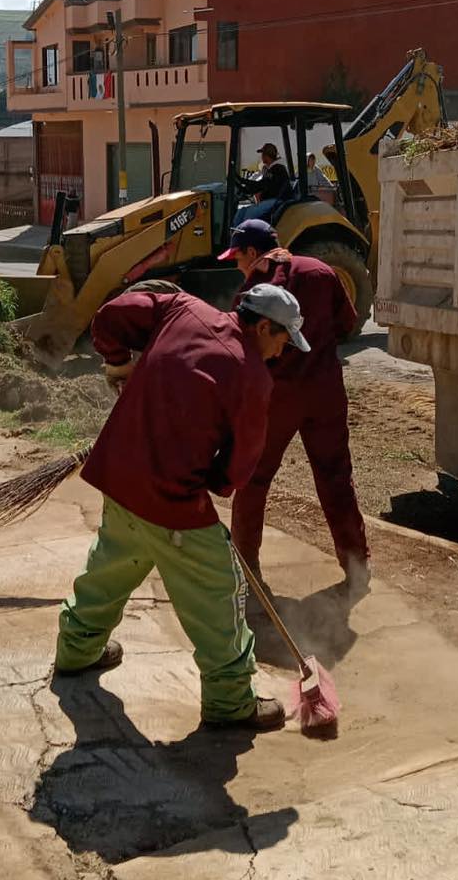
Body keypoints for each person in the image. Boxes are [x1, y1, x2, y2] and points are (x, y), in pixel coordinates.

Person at [55, 281, 310, 731]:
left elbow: (110, 318)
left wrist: (119, 363)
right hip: (171, 498)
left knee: (111, 564)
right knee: (219, 591)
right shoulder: (251, 375)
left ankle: (76, 650)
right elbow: (238, 466)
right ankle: (231, 702)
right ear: (264, 326)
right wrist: (210, 482)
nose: (280, 352)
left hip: (120, 471)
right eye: (282, 340)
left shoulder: (182, 308)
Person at [220, 219, 370, 598]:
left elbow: (243, 348)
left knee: (253, 478)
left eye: (238, 258)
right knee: (335, 475)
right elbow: (348, 323)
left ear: (253, 253)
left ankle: (246, 568)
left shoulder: (254, 292)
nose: (237, 266)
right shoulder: (322, 271)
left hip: (277, 398)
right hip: (325, 393)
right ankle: (357, 566)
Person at [233, 142, 292, 227]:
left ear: (267, 155)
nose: (261, 157)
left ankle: (241, 237)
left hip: (277, 201)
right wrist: (241, 183)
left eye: (263, 154)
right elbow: (260, 185)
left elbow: (261, 185)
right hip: (271, 200)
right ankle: (234, 235)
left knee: (247, 216)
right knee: (241, 211)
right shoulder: (269, 169)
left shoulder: (277, 169)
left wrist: (241, 181)